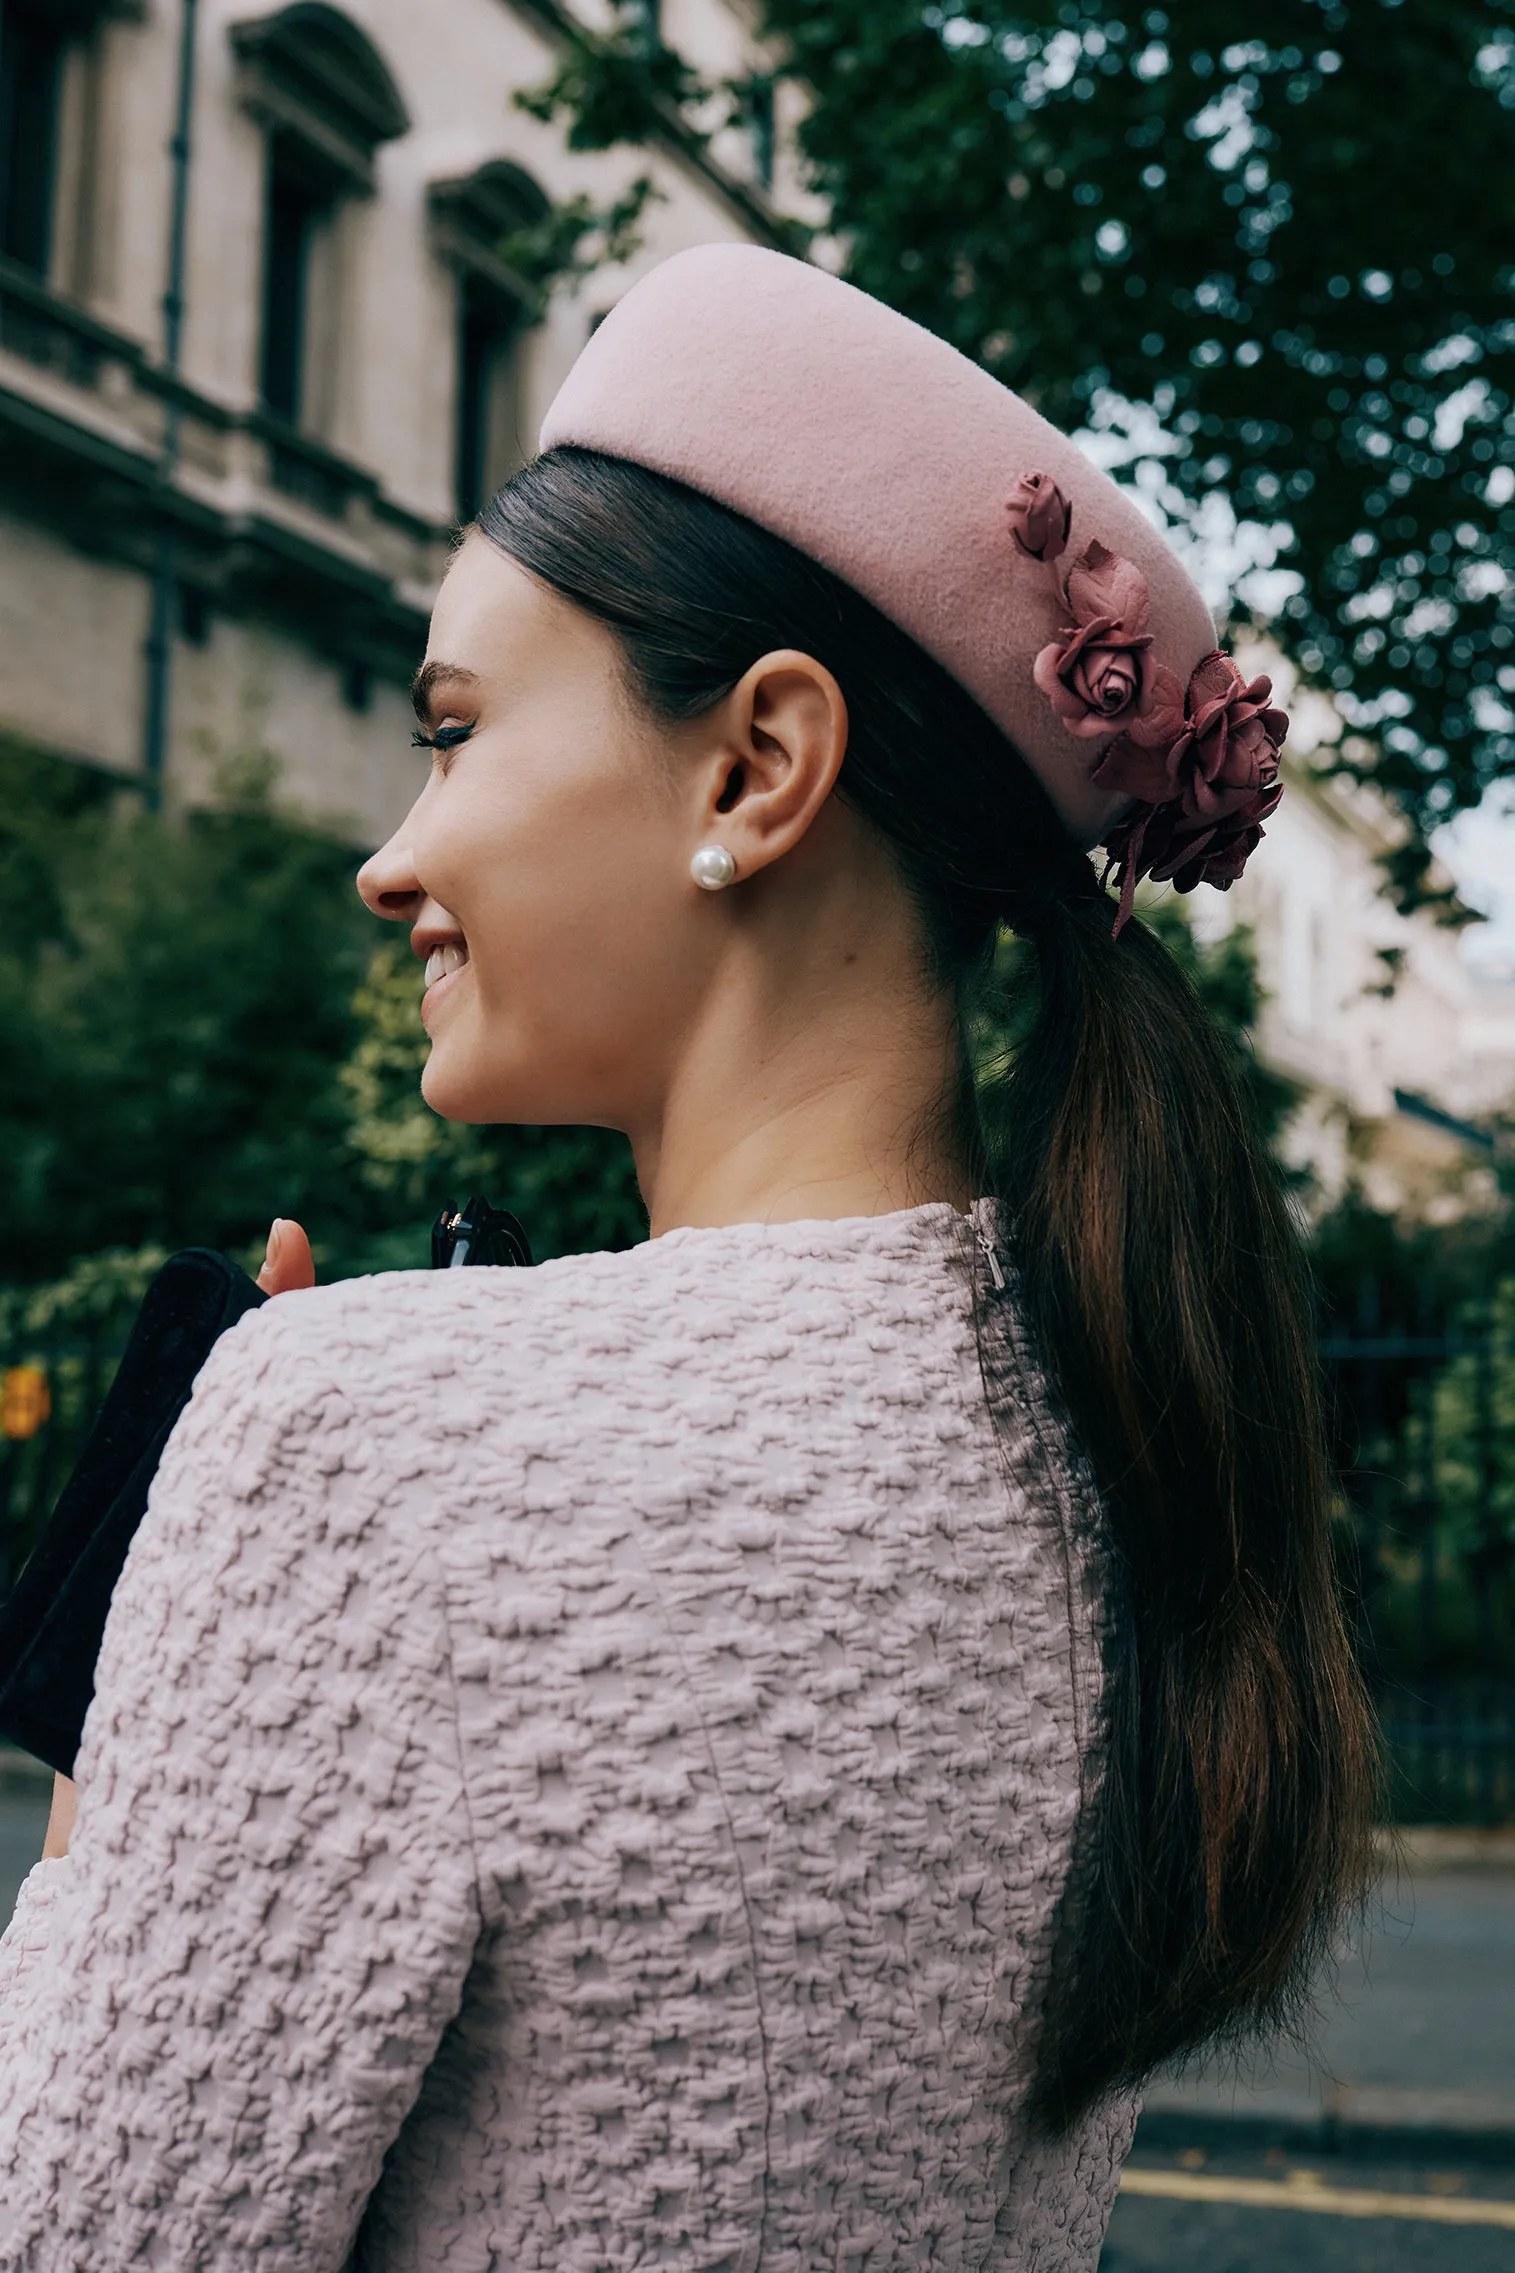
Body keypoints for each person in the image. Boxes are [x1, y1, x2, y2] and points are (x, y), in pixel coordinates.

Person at [0, 246, 1375, 2270]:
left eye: (455, 729)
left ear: (756, 766)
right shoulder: (1144, 1434)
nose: (395, 850)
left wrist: (122, 1786)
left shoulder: (364, 1434)